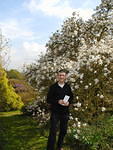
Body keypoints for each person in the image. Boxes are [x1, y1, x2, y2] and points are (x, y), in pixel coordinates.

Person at [46, 69, 73, 150]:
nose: (61, 77)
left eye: (63, 75)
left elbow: (71, 97)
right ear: (57, 76)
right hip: (55, 112)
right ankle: (50, 148)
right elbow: (48, 99)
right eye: (60, 75)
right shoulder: (53, 87)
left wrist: (69, 102)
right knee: (53, 131)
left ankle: (59, 147)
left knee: (63, 131)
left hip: (65, 112)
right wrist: (58, 101)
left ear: (65, 77)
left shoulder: (68, 87)